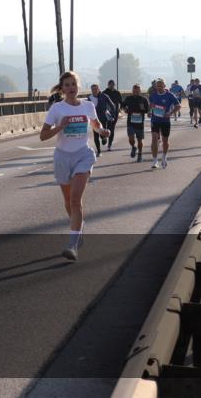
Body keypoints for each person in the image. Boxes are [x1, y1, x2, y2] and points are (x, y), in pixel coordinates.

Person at [40, 71, 111, 261]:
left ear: (78, 86)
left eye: (73, 84)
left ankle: (72, 245)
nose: (71, 88)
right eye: (67, 85)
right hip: (62, 157)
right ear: (62, 89)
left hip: (83, 155)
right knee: (67, 200)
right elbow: (43, 136)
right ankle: (78, 227)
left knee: (75, 199)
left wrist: (102, 131)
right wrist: (60, 127)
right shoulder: (57, 108)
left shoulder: (88, 106)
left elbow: (95, 124)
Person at [149, 78, 181, 169]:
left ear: (164, 86)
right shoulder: (153, 95)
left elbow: (178, 106)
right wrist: (149, 111)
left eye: (161, 86)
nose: (159, 87)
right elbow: (151, 105)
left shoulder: (169, 95)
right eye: (157, 86)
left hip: (165, 121)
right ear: (156, 86)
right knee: (154, 139)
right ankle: (155, 161)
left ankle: (164, 156)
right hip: (155, 120)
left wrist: (170, 113)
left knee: (165, 141)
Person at [122, 83, 150, 162]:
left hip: (140, 122)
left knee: (139, 140)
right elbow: (123, 105)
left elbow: (147, 110)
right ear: (132, 91)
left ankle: (140, 154)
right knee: (131, 138)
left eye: (137, 91)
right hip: (130, 122)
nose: (136, 92)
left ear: (140, 91)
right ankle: (133, 147)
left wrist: (144, 109)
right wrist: (125, 109)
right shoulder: (128, 98)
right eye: (134, 91)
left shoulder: (143, 99)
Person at [87, 83, 117, 156]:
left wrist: (112, 115)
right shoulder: (89, 98)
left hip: (103, 118)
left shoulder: (104, 96)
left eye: (95, 89)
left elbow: (112, 105)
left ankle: (103, 138)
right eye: (92, 89)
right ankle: (99, 151)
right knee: (96, 135)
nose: (94, 91)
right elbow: (87, 108)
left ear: (98, 89)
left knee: (101, 133)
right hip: (93, 119)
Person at [103, 80, 123, 149]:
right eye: (110, 84)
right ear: (108, 85)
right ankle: (104, 137)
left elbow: (121, 102)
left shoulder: (117, 93)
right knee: (106, 127)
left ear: (114, 85)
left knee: (112, 128)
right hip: (106, 113)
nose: (111, 86)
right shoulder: (104, 92)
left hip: (114, 113)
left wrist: (120, 109)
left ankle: (109, 144)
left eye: (113, 84)